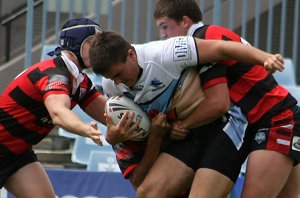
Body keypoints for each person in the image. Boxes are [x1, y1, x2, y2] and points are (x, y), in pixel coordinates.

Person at [88, 31, 285, 197]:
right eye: (110, 78)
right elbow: (136, 174)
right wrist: (113, 137)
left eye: (118, 74)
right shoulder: (112, 86)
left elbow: (222, 48)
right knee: (148, 194)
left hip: (223, 125)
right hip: (187, 133)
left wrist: (264, 57)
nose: (117, 82)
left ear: (131, 55)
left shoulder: (166, 53)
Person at [153, 0, 300, 197]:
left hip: (277, 119)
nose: (163, 35)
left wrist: (183, 124)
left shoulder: (201, 41)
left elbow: (217, 103)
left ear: (185, 21)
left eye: (165, 26)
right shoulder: (208, 34)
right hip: (274, 118)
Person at [0, 17, 135, 198]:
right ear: (76, 45)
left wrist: (154, 126)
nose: (99, 50)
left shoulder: (79, 81)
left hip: (17, 153)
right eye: (92, 44)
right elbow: (58, 112)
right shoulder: (55, 74)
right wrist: (85, 128)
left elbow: (110, 114)